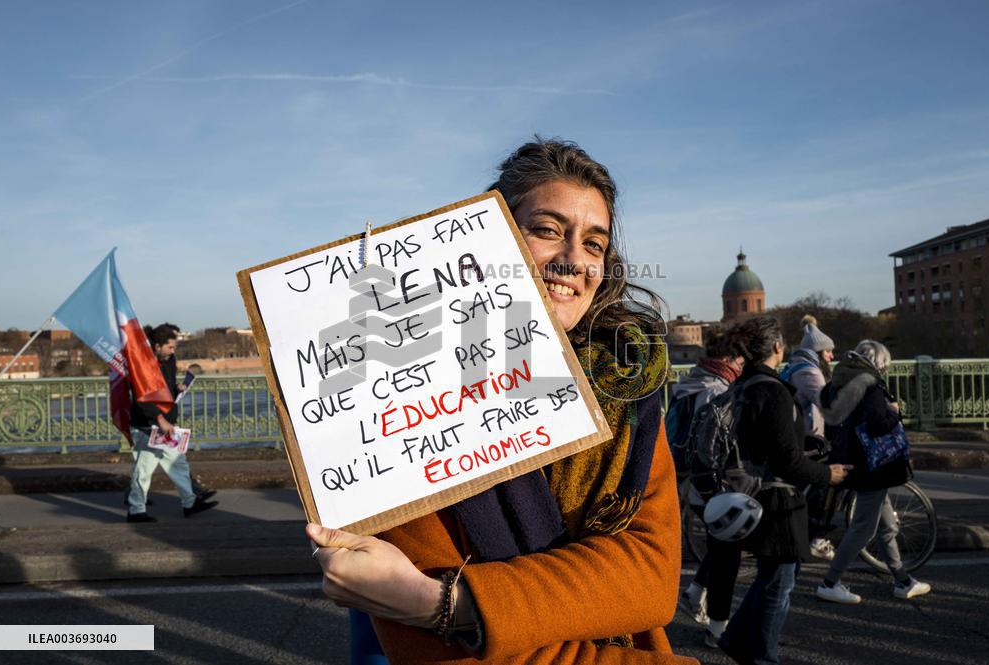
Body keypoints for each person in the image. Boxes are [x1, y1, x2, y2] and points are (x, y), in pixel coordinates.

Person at [306, 138, 697, 664]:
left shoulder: (624, 398)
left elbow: (649, 582)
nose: (573, 260)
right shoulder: (400, 396)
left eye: (595, 244)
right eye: (548, 230)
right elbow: (444, 655)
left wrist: (443, 603)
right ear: (496, 240)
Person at [717, 316, 849, 665]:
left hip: (756, 494)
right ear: (777, 347)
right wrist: (826, 474)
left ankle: (734, 639)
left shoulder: (747, 386)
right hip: (778, 502)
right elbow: (787, 461)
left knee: (772, 578)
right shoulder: (772, 391)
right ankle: (763, 657)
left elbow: (767, 444)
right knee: (779, 585)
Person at [815, 340, 931, 604]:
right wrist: (893, 412)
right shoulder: (870, 385)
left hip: (851, 459)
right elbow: (879, 424)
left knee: (887, 523)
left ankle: (903, 580)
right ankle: (829, 582)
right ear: (878, 363)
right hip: (872, 466)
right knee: (864, 529)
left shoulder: (838, 381)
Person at [672, 329, 747, 646]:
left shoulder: (691, 380)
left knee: (720, 546)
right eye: (741, 358)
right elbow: (712, 446)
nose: (743, 364)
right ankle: (718, 628)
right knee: (727, 551)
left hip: (686, 477)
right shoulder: (717, 389)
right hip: (709, 483)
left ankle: (695, 591)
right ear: (730, 359)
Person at [126, 323, 218, 522]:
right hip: (147, 425)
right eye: (170, 347)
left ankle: (189, 503)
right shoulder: (141, 364)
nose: (173, 351)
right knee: (144, 469)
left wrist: (178, 389)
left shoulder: (168, 360)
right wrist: (159, 419)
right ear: (157, 346)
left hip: (164, 423)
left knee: (178, 463)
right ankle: (136, 510)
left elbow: (164, 388)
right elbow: (142, 396)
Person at [781, 314, 836, 561]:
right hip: (806, 437)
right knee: (826, 478)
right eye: (828, 353)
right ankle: (816, 535)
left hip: (801, 434)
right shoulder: (809, 372)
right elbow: (827, 402)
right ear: (818, 352)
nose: (832, 357)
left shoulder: (797, 365)